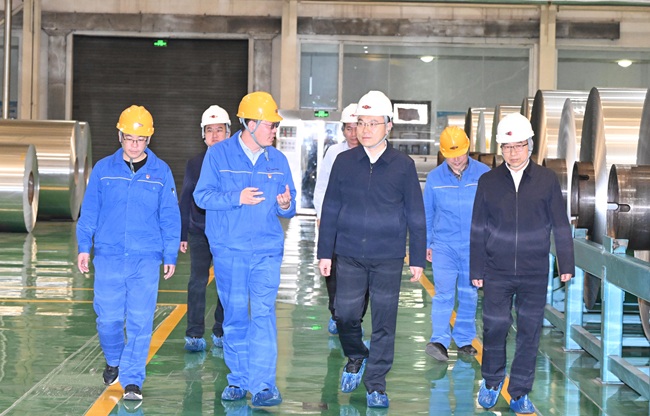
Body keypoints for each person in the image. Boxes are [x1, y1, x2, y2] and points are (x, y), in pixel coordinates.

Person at [317, 90, 426, 409]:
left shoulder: (403, 166)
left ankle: (376, 384)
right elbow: (331, 206)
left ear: (389, 126)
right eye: (361, 123)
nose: (365, 129)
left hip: (388, 257)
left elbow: (415, 213)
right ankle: (356, 355)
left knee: (384, 322)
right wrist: (325, 252)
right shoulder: (344, 162)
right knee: (345, 314)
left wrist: (417, 257)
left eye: (372, 123)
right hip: (349, 253)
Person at [193, 91, 296, 408]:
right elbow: (202, 196)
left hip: (266, 251)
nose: (274, 131)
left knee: (263, 315)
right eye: (270, 125)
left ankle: (264, 385)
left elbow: (289, 207)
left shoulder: (277, 161)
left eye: (276, 126)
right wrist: (235, 198)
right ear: (250, 124)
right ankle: (238, 379)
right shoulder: (218, 155)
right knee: (236, 316)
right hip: (230, 251)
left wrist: (285, 205)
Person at [469, 112, 574, 414]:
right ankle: (491, 381)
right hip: (497, 270)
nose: (513, 153)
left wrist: (566, 263)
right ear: (501, 149)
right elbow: (478, 227)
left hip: (533, 271)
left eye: (518, 146)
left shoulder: (546, 180)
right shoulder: (488, 181)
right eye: (507, 147)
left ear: (530, 145)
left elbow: (560, 224)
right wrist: (477, 268)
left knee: (529, 332)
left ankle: (519, 392)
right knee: (495, 327)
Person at [76, 105, 181, 403]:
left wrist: (170, 254)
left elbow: (169, 215)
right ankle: (114, 358)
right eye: (130, 139)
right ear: (120, 136)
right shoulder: (103, 170)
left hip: (145, 258)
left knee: (140, 320)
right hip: (108, 256)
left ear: (149, 139)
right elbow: (90, 211)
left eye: (141, 140)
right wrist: (84, 246)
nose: (135, 146)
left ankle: (133, 379)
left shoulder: (161, 172)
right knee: (107, 319)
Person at [423, 126, 490, 361]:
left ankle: (464, 339)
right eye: (451, 155)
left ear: (468, 148)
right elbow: (428, 214)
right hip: (444, 245)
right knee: (443, 293)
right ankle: (439, 341)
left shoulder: (484, 174)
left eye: (460, 153)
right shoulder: (435, 178)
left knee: (469, 293)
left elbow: (493, 211)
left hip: (474, 245)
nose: (457, 159)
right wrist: (427, 244)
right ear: (443, 153)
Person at [313, 103, 368, 336]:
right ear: (342, 129)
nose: (353, 133)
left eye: (357, 127)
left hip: (362, 226)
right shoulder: (334, 152)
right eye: (348, 128)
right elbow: (322, 186)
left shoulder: (372, 153)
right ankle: (336, 313)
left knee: (362, 273)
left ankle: (356, 317)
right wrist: (321, 215)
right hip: (336, 222)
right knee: (333, 269)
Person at [180, 105, 230, 352]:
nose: (214, 135)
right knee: (197, 281)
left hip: (227, 232)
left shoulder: (235, 164)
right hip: (199, 231)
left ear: (228, 133)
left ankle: (220, 330)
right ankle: (194, 334)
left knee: (226, 282)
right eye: (209, 130)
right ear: (203, 135)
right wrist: (182, 234)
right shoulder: (194, 164)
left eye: (219, 130)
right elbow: (185, 199)